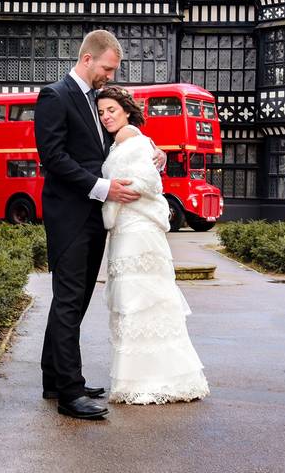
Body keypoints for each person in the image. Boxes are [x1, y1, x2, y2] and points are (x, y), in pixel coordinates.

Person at [34, 29, 162, 420]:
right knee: (70, 301)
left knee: (74, 301)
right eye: (107, 67)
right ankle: (70, 393)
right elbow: (53, 157)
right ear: (87, 59)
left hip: (93, 218)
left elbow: (108, 149)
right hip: (69, 217)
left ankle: (55, 379)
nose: (109, 75)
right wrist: (102, 187)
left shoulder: (94, 100)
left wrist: (151, 153)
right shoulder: (54, 96)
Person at [96, 86, 210, 405]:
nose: (106, 116)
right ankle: (165, 377)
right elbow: (148, 171)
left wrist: (113, 199)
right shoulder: (138, 138)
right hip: (132, 228)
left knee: (137, 303)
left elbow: (145, 182)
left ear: (127, 111)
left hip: (135, 231)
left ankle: (143, 381)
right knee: (147, 303)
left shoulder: (127, 136)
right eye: (102, 111)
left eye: (112, 111)